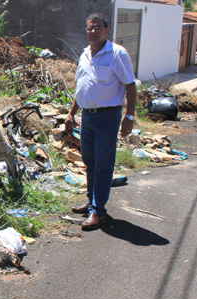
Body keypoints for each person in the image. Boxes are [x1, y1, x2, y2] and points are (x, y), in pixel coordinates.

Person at [65, 13, 137, 230]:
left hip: (108, 117)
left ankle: (99, 212)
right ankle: (91, 201)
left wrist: (129, 117)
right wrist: (71, 113)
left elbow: (131, 86)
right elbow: (81, 88)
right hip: (87, 116)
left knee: (103, 166)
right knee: (89, 161)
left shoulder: (117, 54)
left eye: (98, 27)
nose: (93, 31)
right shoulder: (85, 54)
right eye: (90, 28)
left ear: (107, 30)